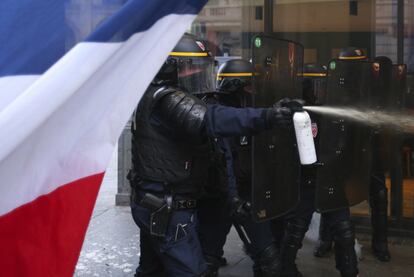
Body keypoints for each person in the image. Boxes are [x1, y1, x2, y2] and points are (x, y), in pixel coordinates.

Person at [128, 34, 297, 277]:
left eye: (199, 68)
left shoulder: (157, 94)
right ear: (168, 68)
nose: (195, 74)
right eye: (188, 68)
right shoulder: (167, 99)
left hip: (159, 202)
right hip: (165, 208)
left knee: (152, 271)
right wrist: (267, 117)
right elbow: (211, 119)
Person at [272, 63, 359, 277]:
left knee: (345, 232)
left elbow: (345, 146)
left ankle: (350, 271)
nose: (322, 91)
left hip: (331, 181)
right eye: (317, 86)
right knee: (294, 233)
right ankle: (286, 269)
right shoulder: (294, 114)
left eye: (324, 85)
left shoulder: (334, 111)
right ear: (305, 87)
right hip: (305, 184)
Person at [198, 59, 282, 277]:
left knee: (269, 260)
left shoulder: (253, 114)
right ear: (233, 87)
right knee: (206, 262)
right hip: (217, 199)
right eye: (249, 86)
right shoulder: (212, 115)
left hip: (248, 197)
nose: (254, 92)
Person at [314, 48, 392, 262]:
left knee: (378, 193)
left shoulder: (373, 86)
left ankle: (380, 244)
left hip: (366, 148)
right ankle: (325, 239)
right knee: (332, 192)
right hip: (339, 148)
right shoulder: (333, 84)